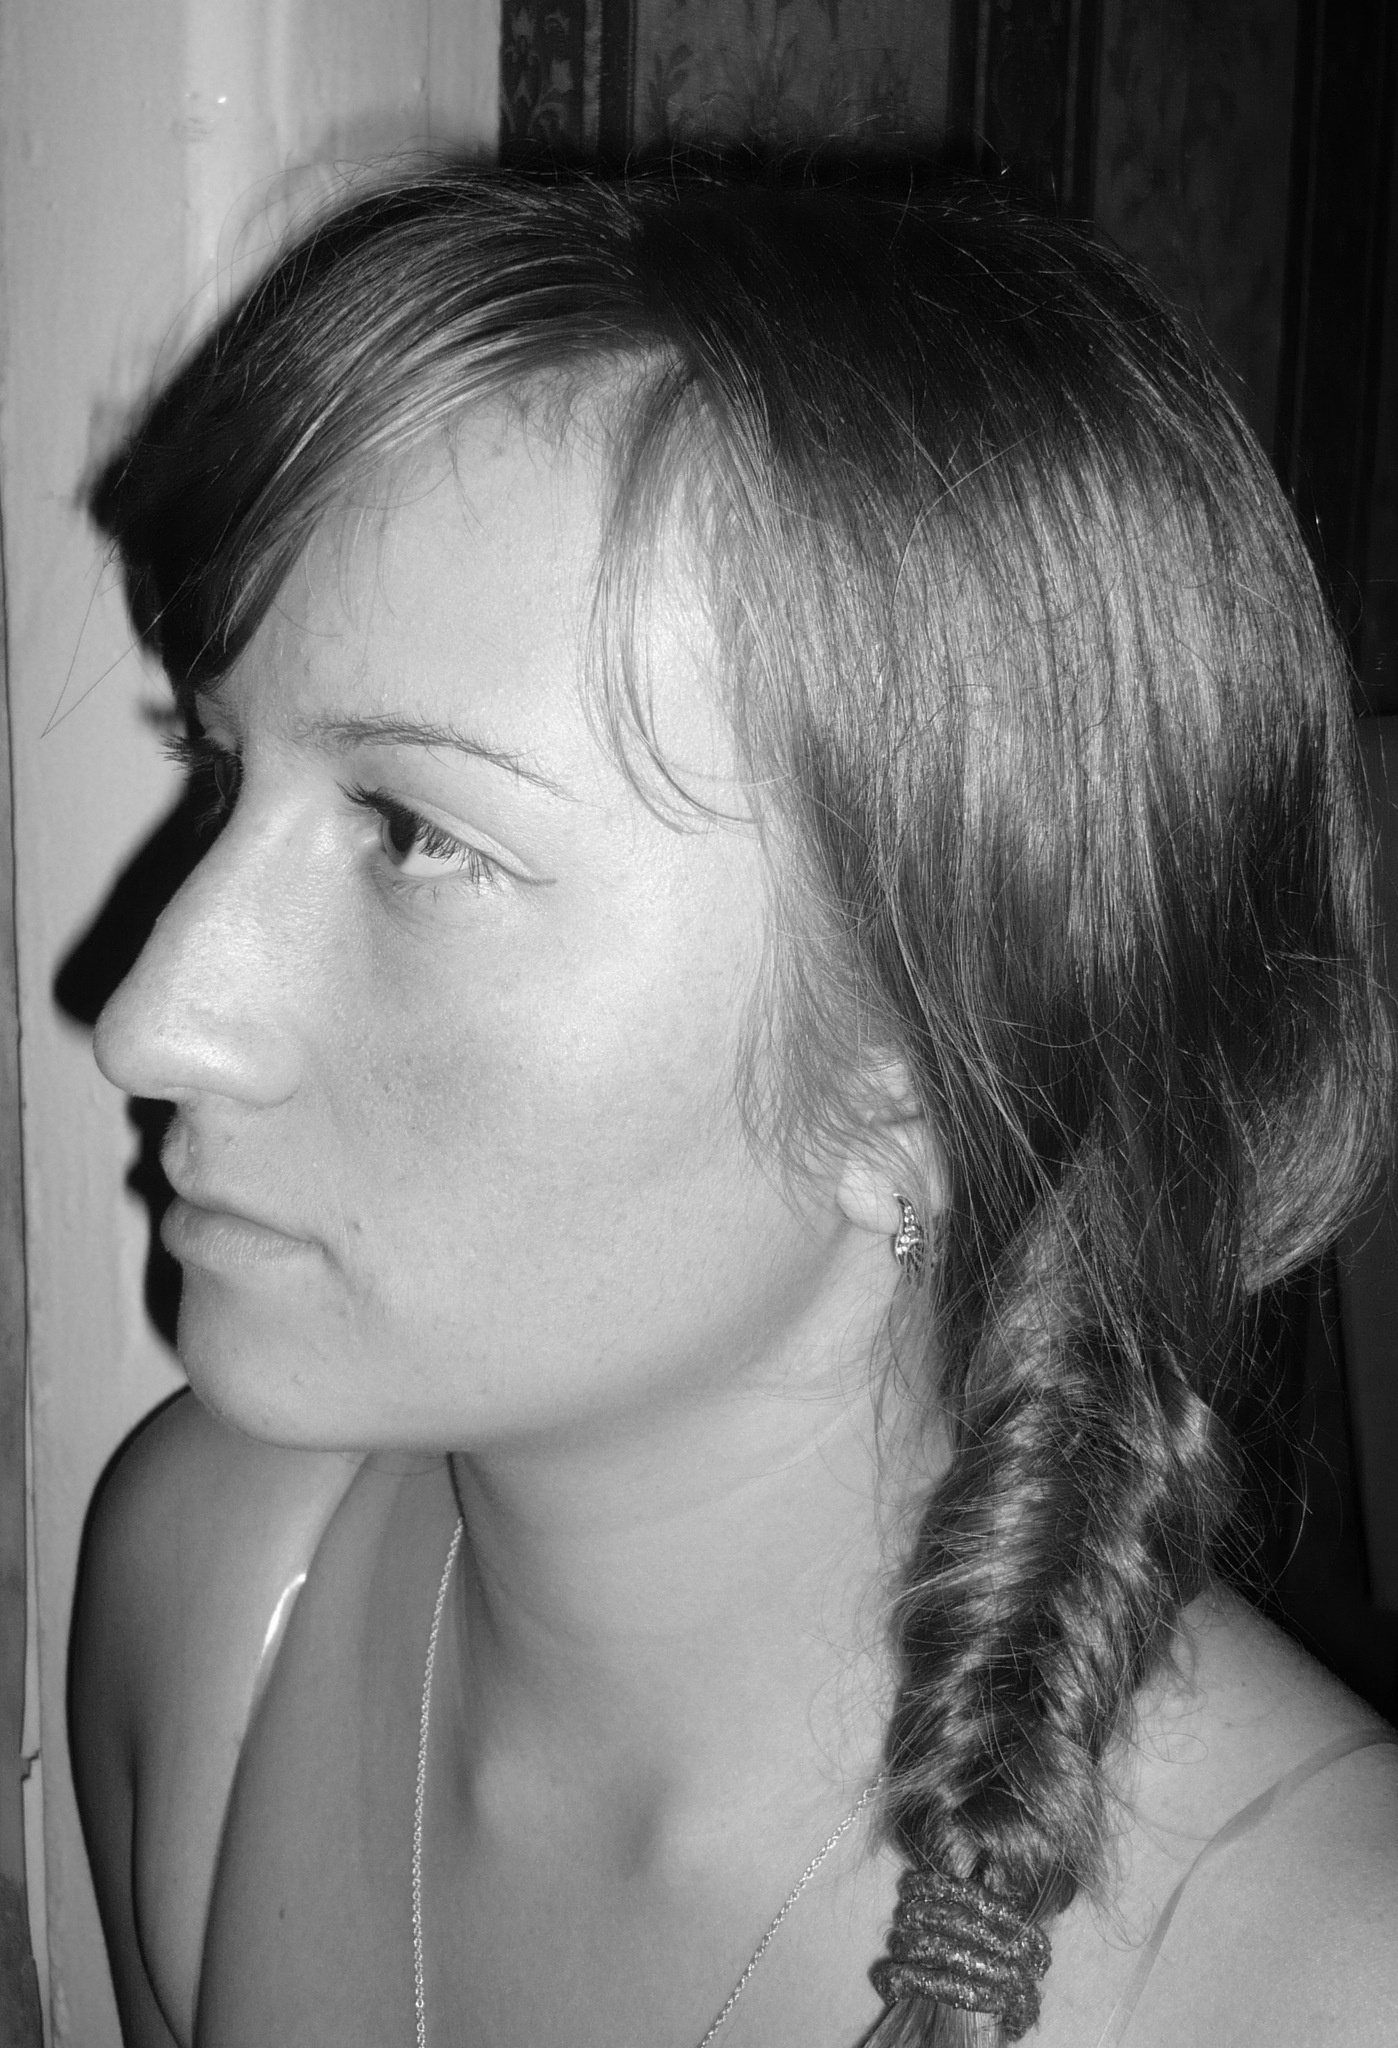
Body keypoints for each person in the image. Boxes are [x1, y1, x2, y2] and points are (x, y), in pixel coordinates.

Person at [69, 160, 1398, 2048]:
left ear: (924, 1071)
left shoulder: (1322, 1977)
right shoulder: (206, 1584)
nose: (151, 1019)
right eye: (221, 773)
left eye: (415, 834)